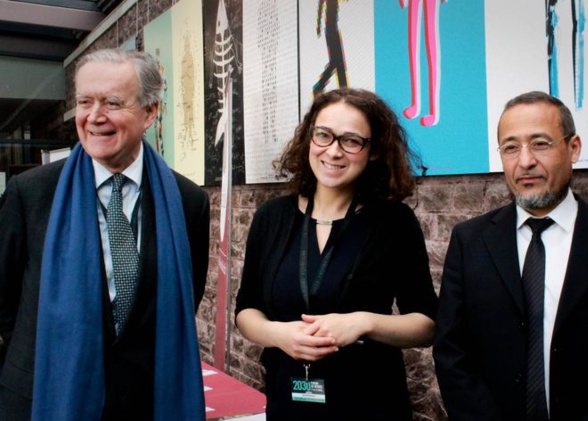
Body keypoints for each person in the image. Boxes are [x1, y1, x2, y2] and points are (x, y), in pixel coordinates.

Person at [0, 49, 210, 420]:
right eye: (85, 101)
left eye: (112, 102)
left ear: (149, 113)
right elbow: (3, 300)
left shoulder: (187, 201)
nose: (94, 117)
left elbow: (184, 299)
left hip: (146, 402)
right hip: (45, 395)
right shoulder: (30, 193)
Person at [433, 91, 588, 420]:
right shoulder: (470, 240)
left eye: (540, 143)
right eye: (511, 147)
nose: (525, 161)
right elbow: (452, 351)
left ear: (573, 148)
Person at [235, 87, 437, 420]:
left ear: (373, 151)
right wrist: (280, 334)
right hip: (289, 401)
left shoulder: (394, 222)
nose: (334, 151)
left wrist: (364, 323)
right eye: (324, 135)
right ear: (308, 138)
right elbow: (246, 310)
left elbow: (427, 324)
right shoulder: (271, 217)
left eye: (351, 140)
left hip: (371, 405)